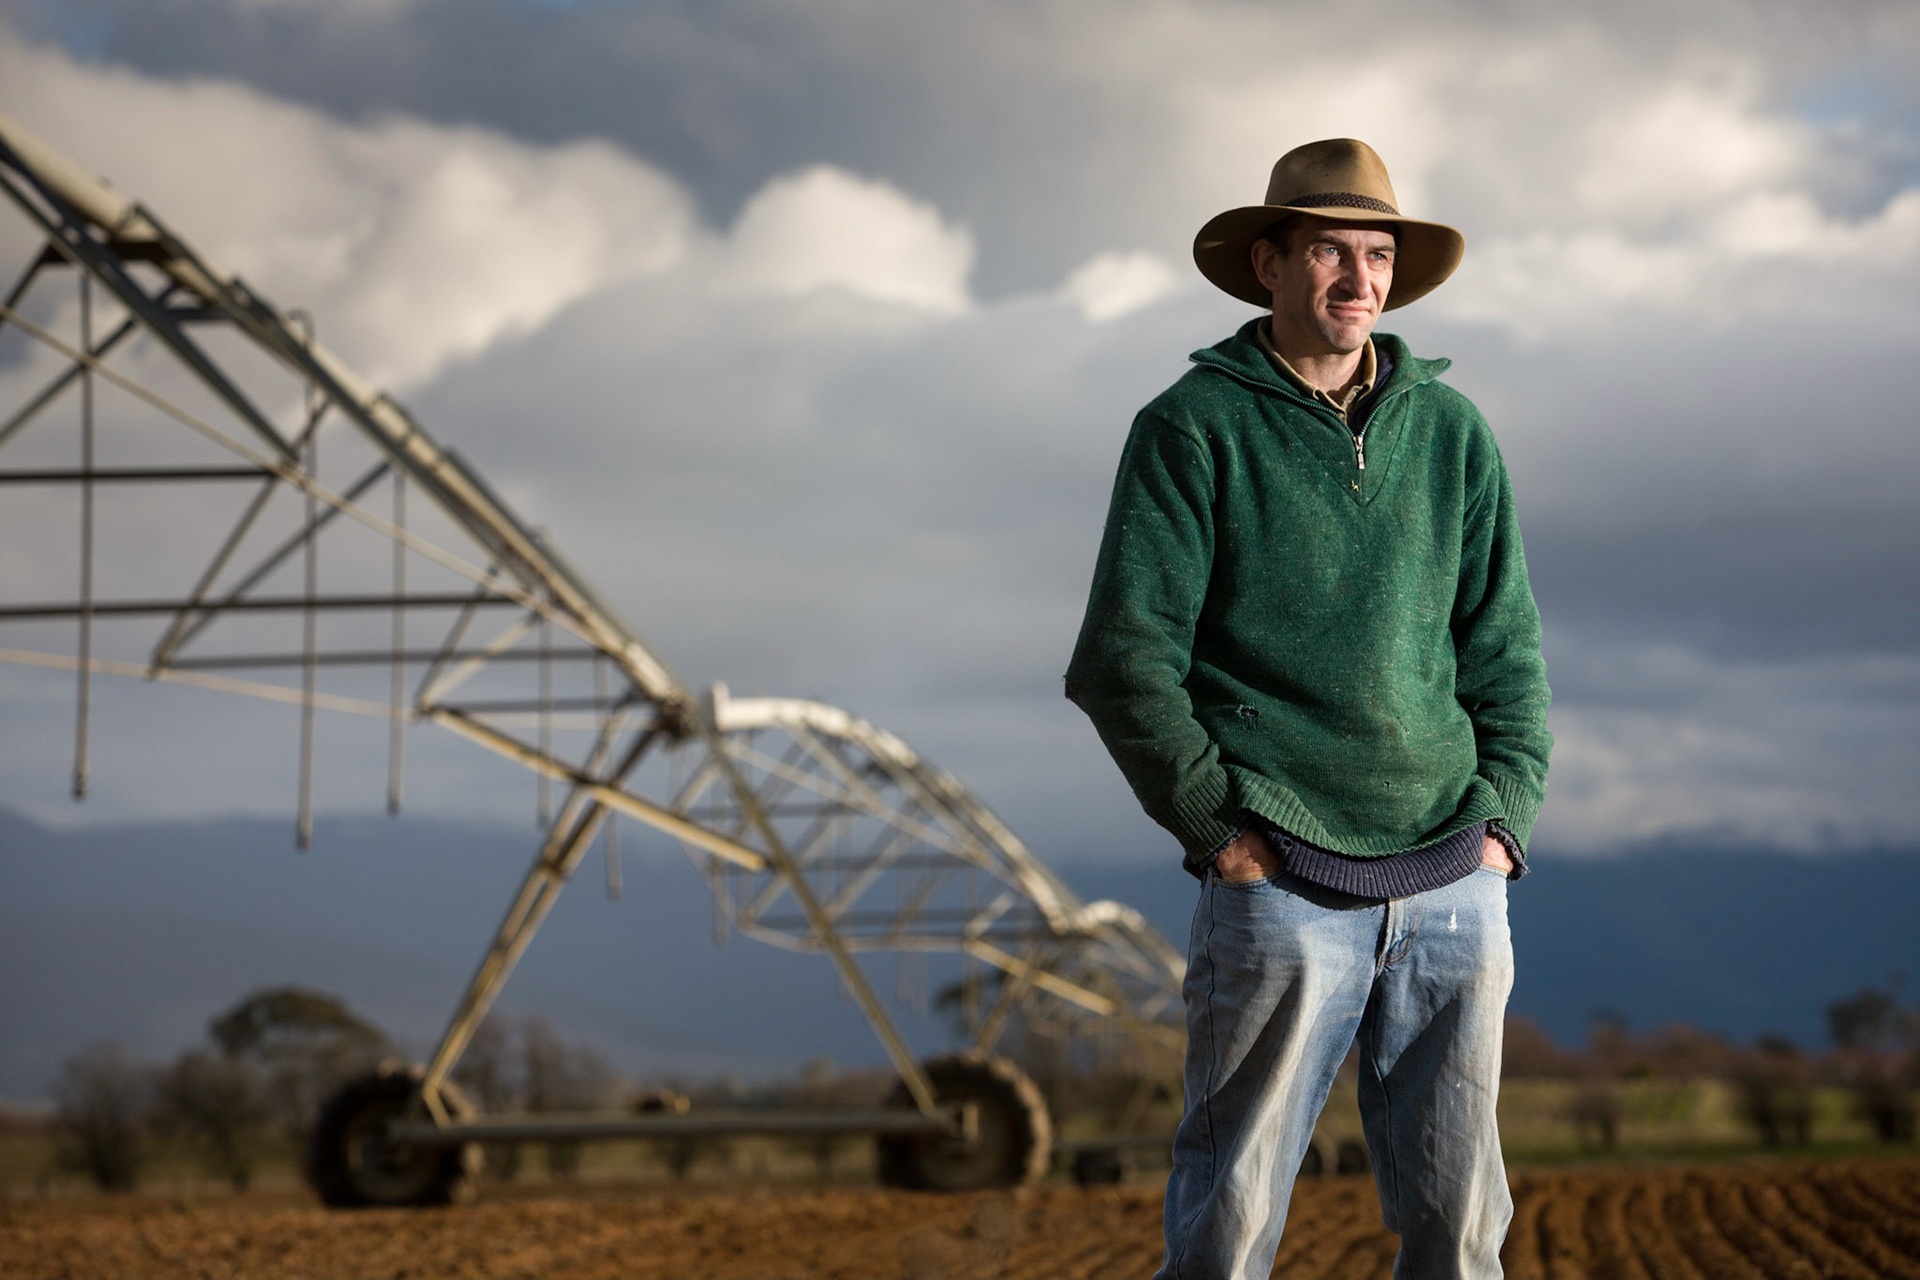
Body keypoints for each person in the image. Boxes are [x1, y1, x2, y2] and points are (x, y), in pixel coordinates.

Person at [1064, 138, 1552, 1280]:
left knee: (1464, 1224)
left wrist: (1503, 825)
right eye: (1330, 249)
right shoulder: (1192, 427)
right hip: (1279, 878)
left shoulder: (1455, 431)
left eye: (1378, 253)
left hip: (1453, 879)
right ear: (1269, 262)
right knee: (1230, 1219)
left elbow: (1507, 646)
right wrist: (1221, 833)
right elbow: (1122, 658)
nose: (1358, 277)